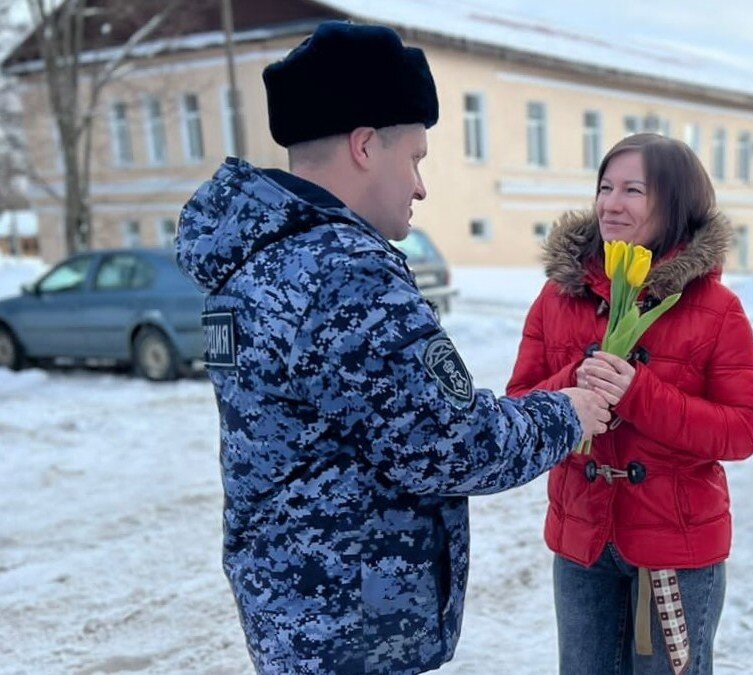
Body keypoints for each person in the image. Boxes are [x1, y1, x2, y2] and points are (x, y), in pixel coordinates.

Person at [175, 21, 610, 675]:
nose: (421, 185)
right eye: (415, 158)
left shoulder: (251, 257)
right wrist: (569, 411)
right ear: (363, 146)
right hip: (351, 631)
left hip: (291, 613)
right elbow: (451, 442)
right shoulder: (344, 267)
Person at [507, 133, 753, 674]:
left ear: (674, 204)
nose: (611, 203)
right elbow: (519, 405)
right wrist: (576, 380)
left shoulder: (717, 309)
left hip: (673, 548)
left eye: (633, 190)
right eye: (605, 187)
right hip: (582, 540)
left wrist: (640, 394)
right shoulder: (560, 296)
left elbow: (744, 429)